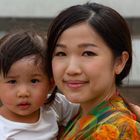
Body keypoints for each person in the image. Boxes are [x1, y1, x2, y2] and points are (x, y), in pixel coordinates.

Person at [46, 2, 140, 139]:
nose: (72, 69)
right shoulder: (77, 115)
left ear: (120, 62)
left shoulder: (114, 131)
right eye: (61, 53)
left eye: (88, 53)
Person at [0, 30, 79, 140]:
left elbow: (90, 108)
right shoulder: (3, 128)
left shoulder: (55, 105)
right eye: (12, 82)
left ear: (51, 83)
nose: (23, 93)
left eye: (34, 81)